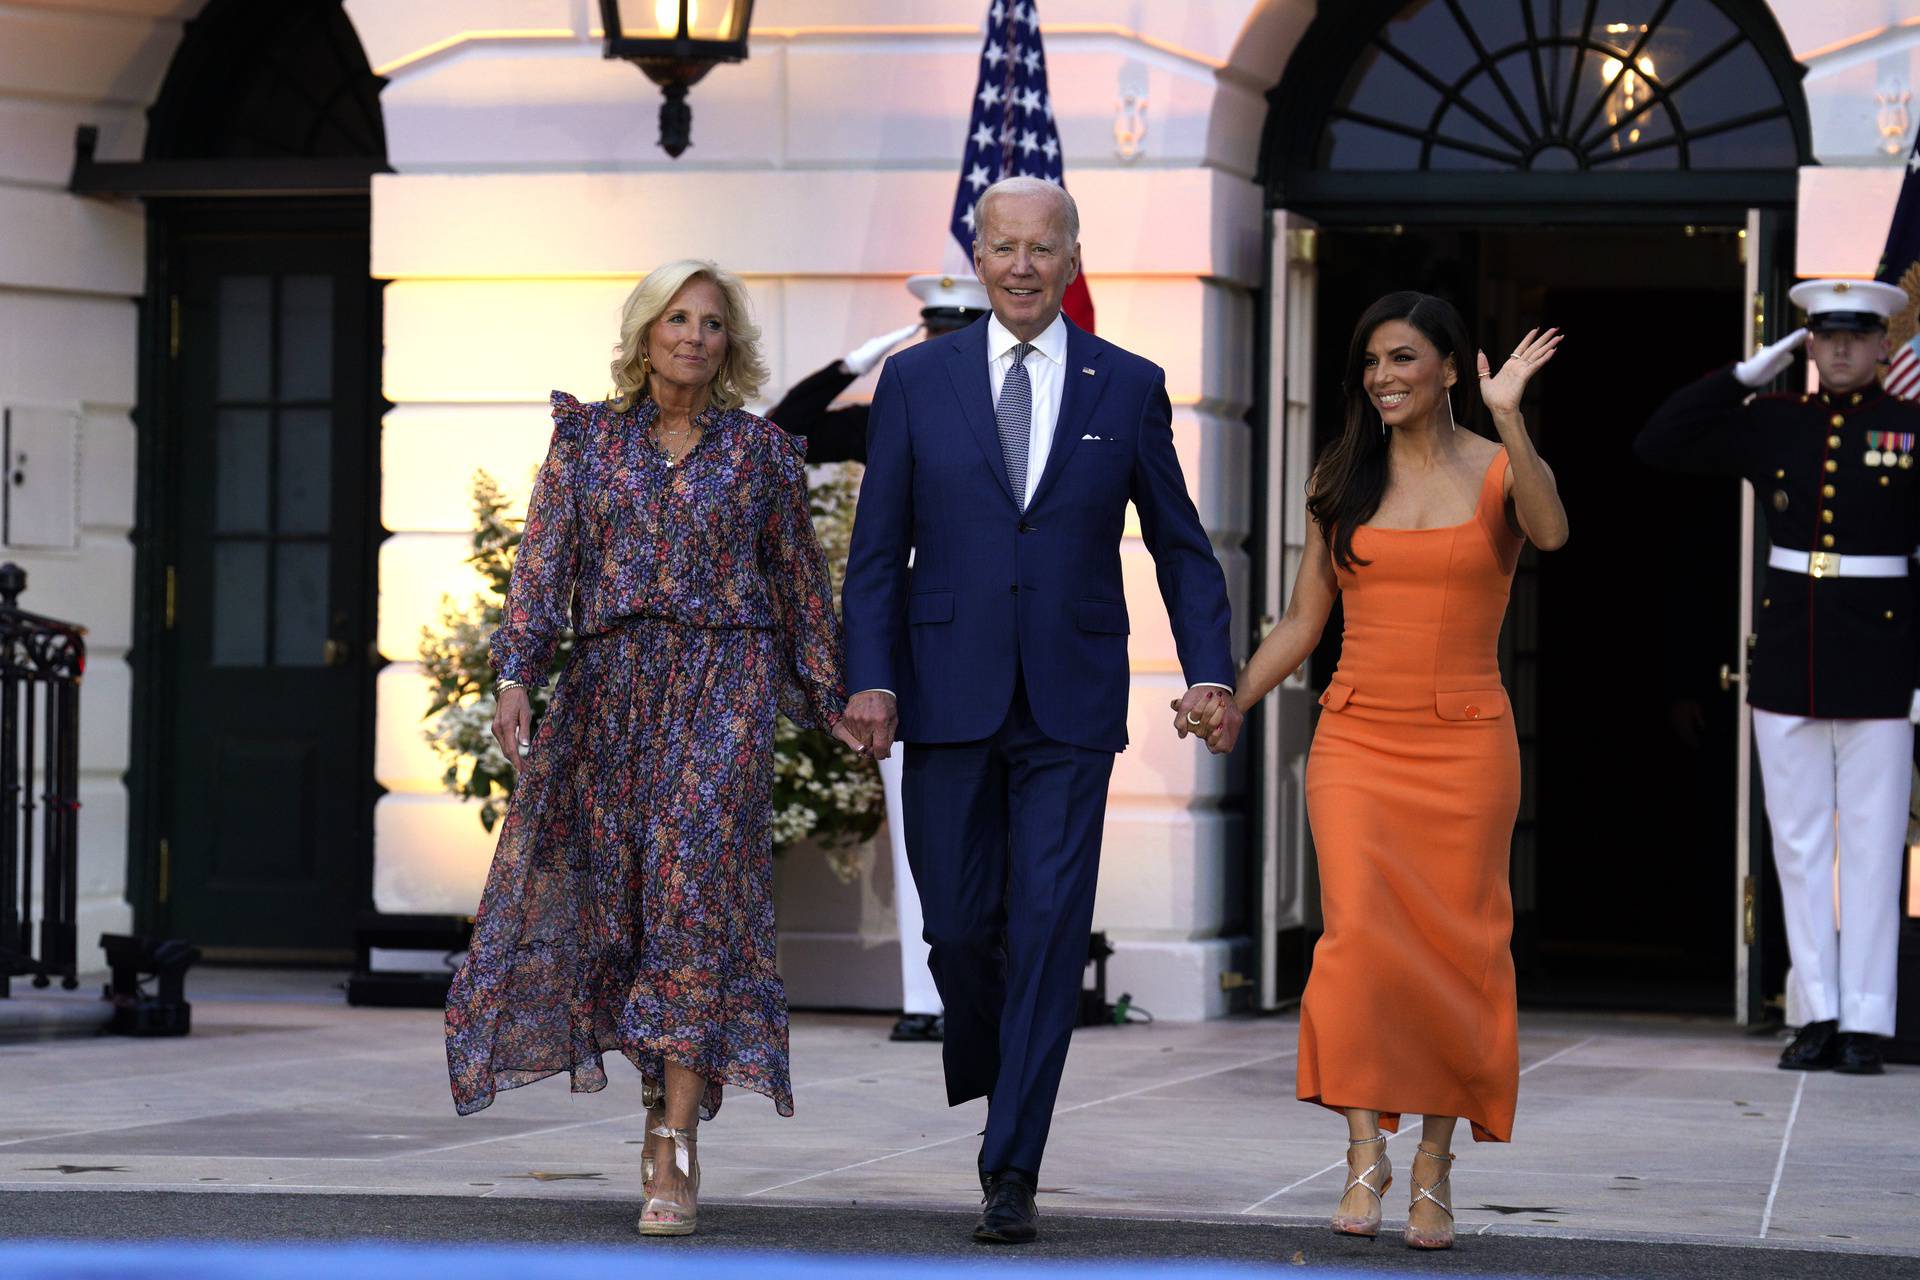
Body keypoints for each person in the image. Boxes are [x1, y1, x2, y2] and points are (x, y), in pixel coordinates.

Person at [839, 175, 1241, 1246]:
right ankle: (987, 1055)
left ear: (1073, 258)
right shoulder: (917, 382)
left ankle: (1010, 1162)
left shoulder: (1127, 383)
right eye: (1004, 246)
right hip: (945, 689)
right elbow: (876, 551)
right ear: (980, 254)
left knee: (1051, 928)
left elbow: (1180, 544)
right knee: (962, 927)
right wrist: (867, 676)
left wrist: (1210, 669)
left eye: (1043, 247)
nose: (1022, 265)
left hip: (1070, 698)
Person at [442, 259, 865, 1238]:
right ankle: (656, 1095)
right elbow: (544, 569)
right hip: (610, 693)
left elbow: (800, 586)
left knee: (693, 890)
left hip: (725, 689)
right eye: (677, 318)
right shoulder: (586, 442)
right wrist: (516, 672)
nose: (694, 336)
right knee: (625, 908)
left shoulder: (761, 454)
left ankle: (674, 1144)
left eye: (712, 323)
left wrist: (833, 697)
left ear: (731, 344)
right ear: (644, 333)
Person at [1212, 292, 1569, 1250]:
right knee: (1359, 945)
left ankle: (1434, 1163)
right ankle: (1364, 1152)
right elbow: (1300, 621)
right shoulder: (1342, 473)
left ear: (1451, 369)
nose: (1384, 378)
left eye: (1404, 359)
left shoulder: (1498, 468)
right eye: (1372, 362)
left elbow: (1551, 532)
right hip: (1357, 745)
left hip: (1465, 746)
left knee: (1457, 955)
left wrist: (1512, 416)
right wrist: (1231, 700)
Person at [1637, 278, 1918, 1078]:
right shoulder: (1776, 421)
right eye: (1823, 336)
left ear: (1882, 346)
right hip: (1791, 653)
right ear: (1806, 345)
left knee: (1871, 846)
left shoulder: (1908, 429)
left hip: (1882, 658)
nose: (1838, 350)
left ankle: (1867, 1021)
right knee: (1797, 847)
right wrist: (1745, 374)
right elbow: (1659, 442)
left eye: (1855, 337)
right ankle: (1818, 1014)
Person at [767, 275, 993, 1043]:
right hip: (917, 643)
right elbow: (781, 433)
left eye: (956, 334)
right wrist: (862, 358)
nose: (943, 351)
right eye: (930, 337)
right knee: (917, 823)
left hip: (1003, 638)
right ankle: (929, 1000)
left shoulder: (1021, 409)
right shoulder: (891, 413)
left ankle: (996, 988)